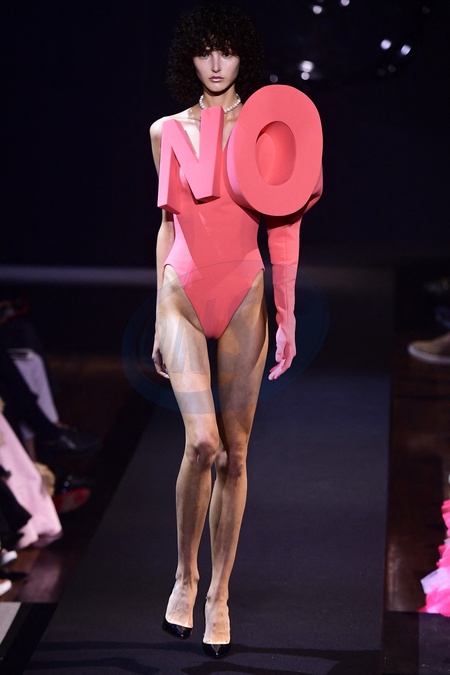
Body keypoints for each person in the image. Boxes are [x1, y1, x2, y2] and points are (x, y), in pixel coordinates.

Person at [149, 3, 322, 659]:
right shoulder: (166, 131)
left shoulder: (266, 131)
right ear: (189, 58)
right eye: (205, 51)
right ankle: (185, 576)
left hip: (246, 291)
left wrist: (288, 312)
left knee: (237, 453)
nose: (216, 63)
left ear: (244, 55)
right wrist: (157, 316)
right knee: (202, 443)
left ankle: (219, 593)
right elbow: (166, 224)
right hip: (181, 293)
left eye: (227, 50)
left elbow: (285, 226)